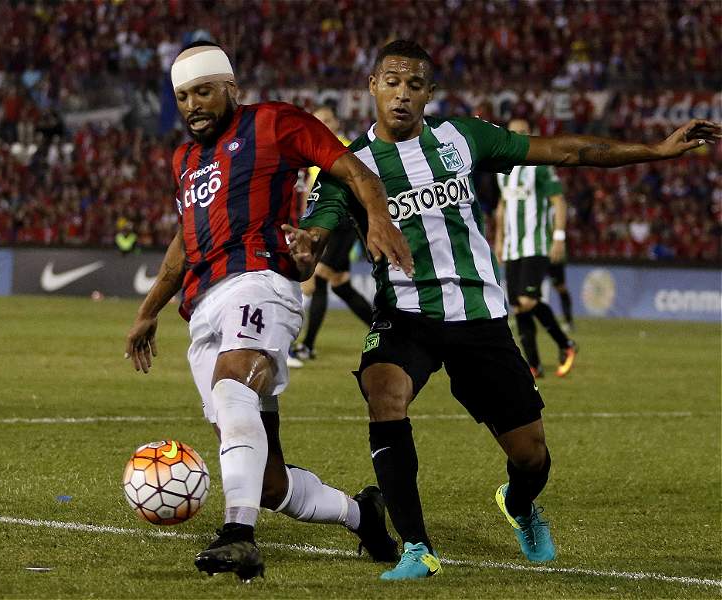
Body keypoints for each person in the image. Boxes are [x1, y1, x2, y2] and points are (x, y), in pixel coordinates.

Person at [289, 39, 720, 581]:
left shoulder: (462, 138)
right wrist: (302, 249)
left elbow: (568, 152)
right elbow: (313, 241)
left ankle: (518, 504)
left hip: (479, 315)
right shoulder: (349, 169)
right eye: (391, 82)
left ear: (429, 93)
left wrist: (654, 151)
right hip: (405, 315)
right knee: (384, 393)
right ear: (371, 87)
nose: (402, 94)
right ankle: (416, 547)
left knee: (531, 455)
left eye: (414, 85)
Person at [125, 42, 413, 581]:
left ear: (230, 89)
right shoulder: (184, 160)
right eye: (184, 96)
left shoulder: (275, 123)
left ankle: (239, 536)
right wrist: (148, 311)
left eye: (204, 91)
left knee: (235, 383)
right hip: (203, 305)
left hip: (259, 282)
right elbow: (185, 243)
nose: (194, 105)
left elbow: (350, 167)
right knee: (267, 480)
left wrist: (375, 213)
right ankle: (361, 514)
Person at [289, 104, 373, 367]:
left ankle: (299, 346)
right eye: (318, 120)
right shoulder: (312, 151)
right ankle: (383, 328)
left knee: (315, 280)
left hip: (343, 225)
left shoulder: (348, 149)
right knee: (339, 284)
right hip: (324, 226)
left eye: (326, 119)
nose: (322, 124)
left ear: (336, 122)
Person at [494, 117, 576, 378]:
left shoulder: (540, 166)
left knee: (528, 301)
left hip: (536, 243)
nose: (518, 136)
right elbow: (503, 206)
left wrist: (559, 237)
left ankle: (566, 344)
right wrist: (498, 239)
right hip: (512, 247)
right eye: (513, 132)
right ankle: (534, 365)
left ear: (530, 135)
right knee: (519, 306)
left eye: (523, 132)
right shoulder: (502, 169)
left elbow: (559, 201)